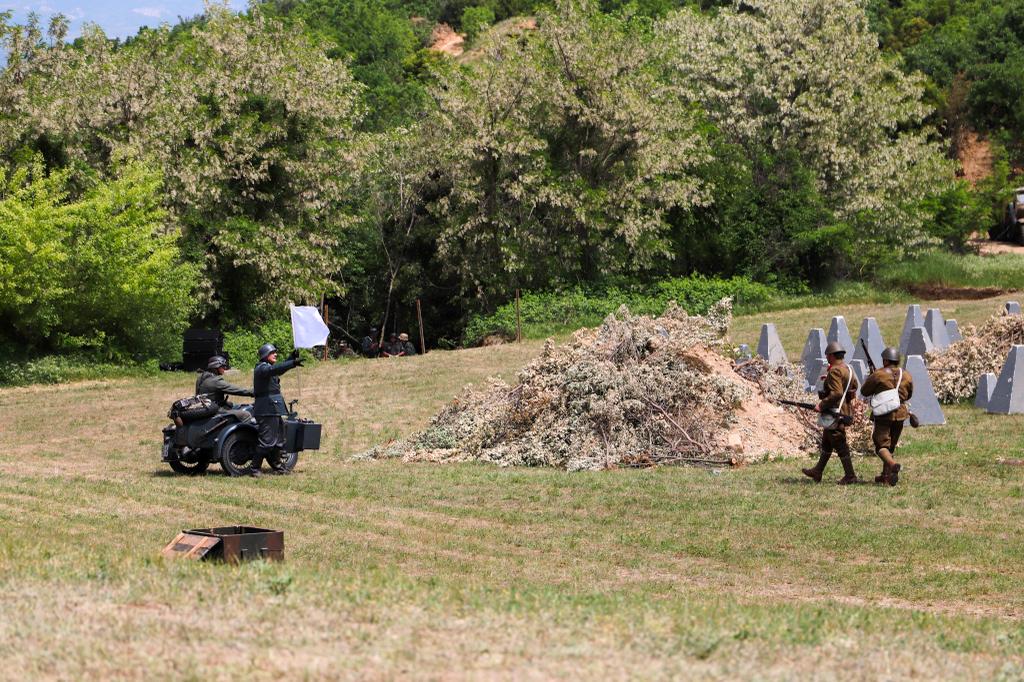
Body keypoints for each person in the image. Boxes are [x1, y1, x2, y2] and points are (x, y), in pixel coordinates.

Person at [802, 341, 860, 485]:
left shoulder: (834, 370)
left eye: (828, 355)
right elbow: (853, 387)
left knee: (839, 443)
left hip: (835, 411)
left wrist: (821, 405)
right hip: (844, 410)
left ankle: (850, 475)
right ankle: (818, 471)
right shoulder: (848, 369)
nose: (827, 357)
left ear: (832, 356)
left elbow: (837, 393)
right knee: (827, 442)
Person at [859, 347, 913, 486]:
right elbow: (909, 394)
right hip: (901, 414)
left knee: (881, 445)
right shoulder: (906, 375)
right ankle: (886, 476)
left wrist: (873, 378)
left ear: (886, 360)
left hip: (884, 414)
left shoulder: (879, 374)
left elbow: (865, 391)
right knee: (891, 446)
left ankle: (893, 465)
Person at [252, 343, 302, 477]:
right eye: (272, 353)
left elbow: (277, 370)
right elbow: (274, 370)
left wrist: (291, 359)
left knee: (279, 440)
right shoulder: (261, 368)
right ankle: (254, 468)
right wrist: (292, 363)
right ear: (265, 355)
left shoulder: (268, 368)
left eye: (275, 352)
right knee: (266, 441)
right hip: (266, 409)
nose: (275, 354)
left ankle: (278, 466)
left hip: (273, 409)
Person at [195, 355, 255, 424]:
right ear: (216, 367)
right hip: (216, 410)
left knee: (235, 405)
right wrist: (252, 392)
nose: (224, 368)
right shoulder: (216, 381)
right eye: (222, 366)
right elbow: (236, 390)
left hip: (206, 408)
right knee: (246, 415)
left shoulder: (201, 377)